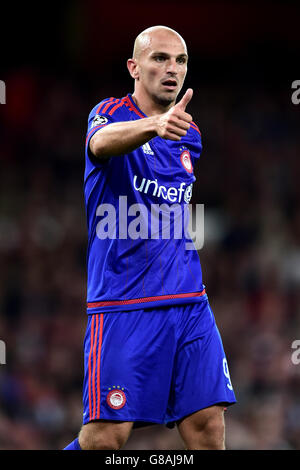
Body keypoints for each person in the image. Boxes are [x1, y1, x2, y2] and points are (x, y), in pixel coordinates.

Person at [64, 25, 236, 451]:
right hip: (123, 304)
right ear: (134, 67)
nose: (172, 68)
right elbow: (100, 144)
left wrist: (166, 126)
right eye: (159, 58)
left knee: (208, 425)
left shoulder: (189, 136)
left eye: (180, 61)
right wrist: (153, 125)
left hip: (188, 302)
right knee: (106, 438)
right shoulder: (109, 113)